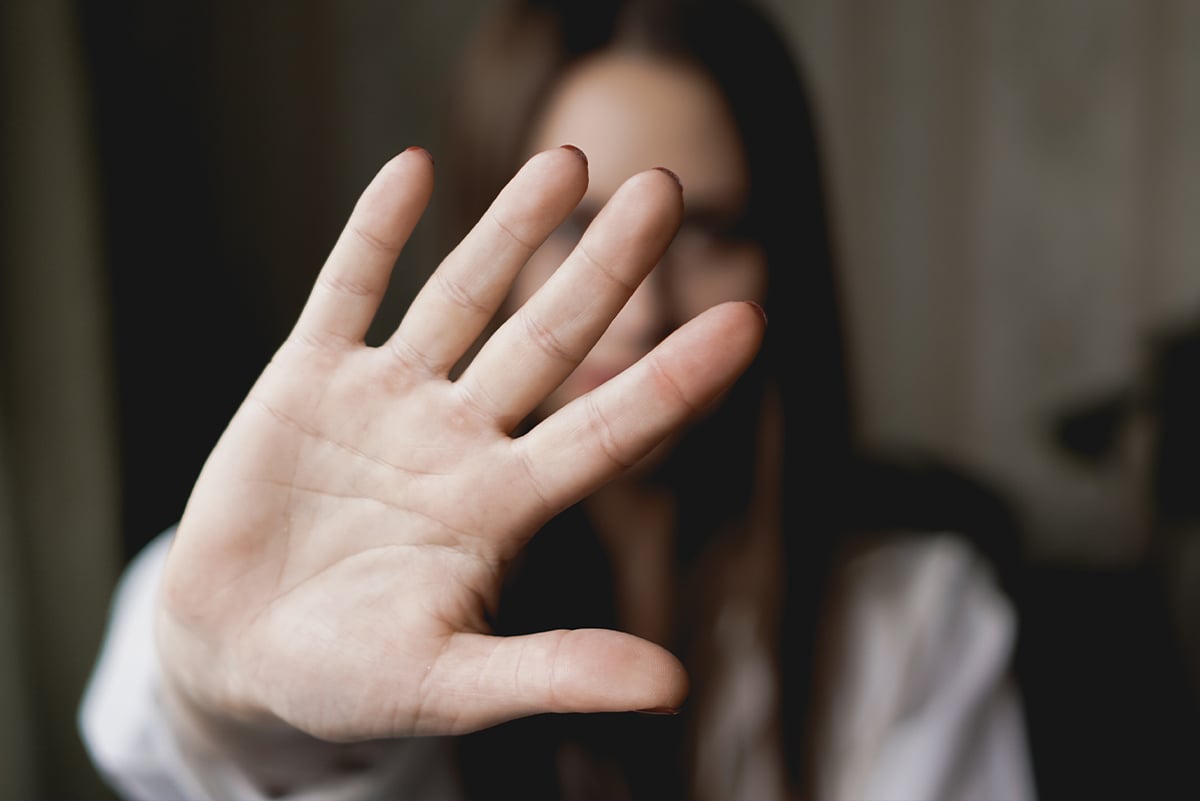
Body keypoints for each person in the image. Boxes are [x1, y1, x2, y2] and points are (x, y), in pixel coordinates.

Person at [79, 0, 1036, 798]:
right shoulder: (369, 568)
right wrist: (220, 689)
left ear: (785, 252)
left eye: (707, 230)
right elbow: (166, 700)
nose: (641, 306)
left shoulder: (918, 617)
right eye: (577, 226)